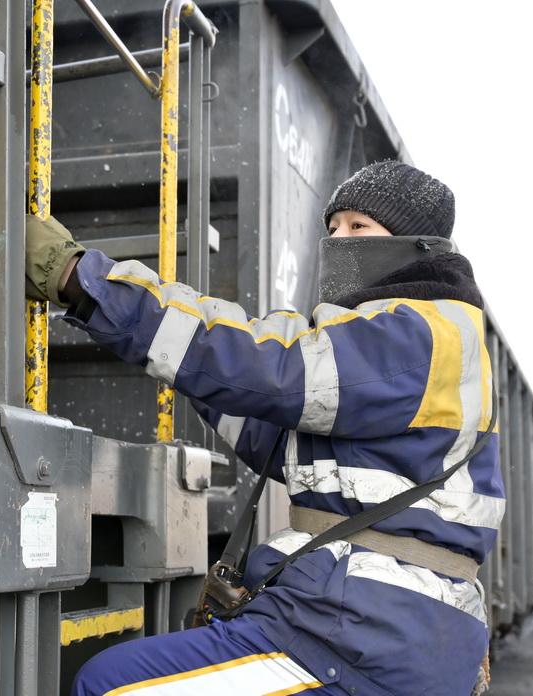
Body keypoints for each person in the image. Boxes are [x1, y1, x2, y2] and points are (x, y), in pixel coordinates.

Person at [25, 161, 505, 695]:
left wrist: (82, 281)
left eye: (359, 227)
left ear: (419, 242)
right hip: (377, 627)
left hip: (364, 636)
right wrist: (189, 368)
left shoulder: (418, 331)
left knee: (109, 685)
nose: (339, 241)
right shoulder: (411, 344)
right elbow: (277, 439)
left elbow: (268, 371)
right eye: (333, 228)